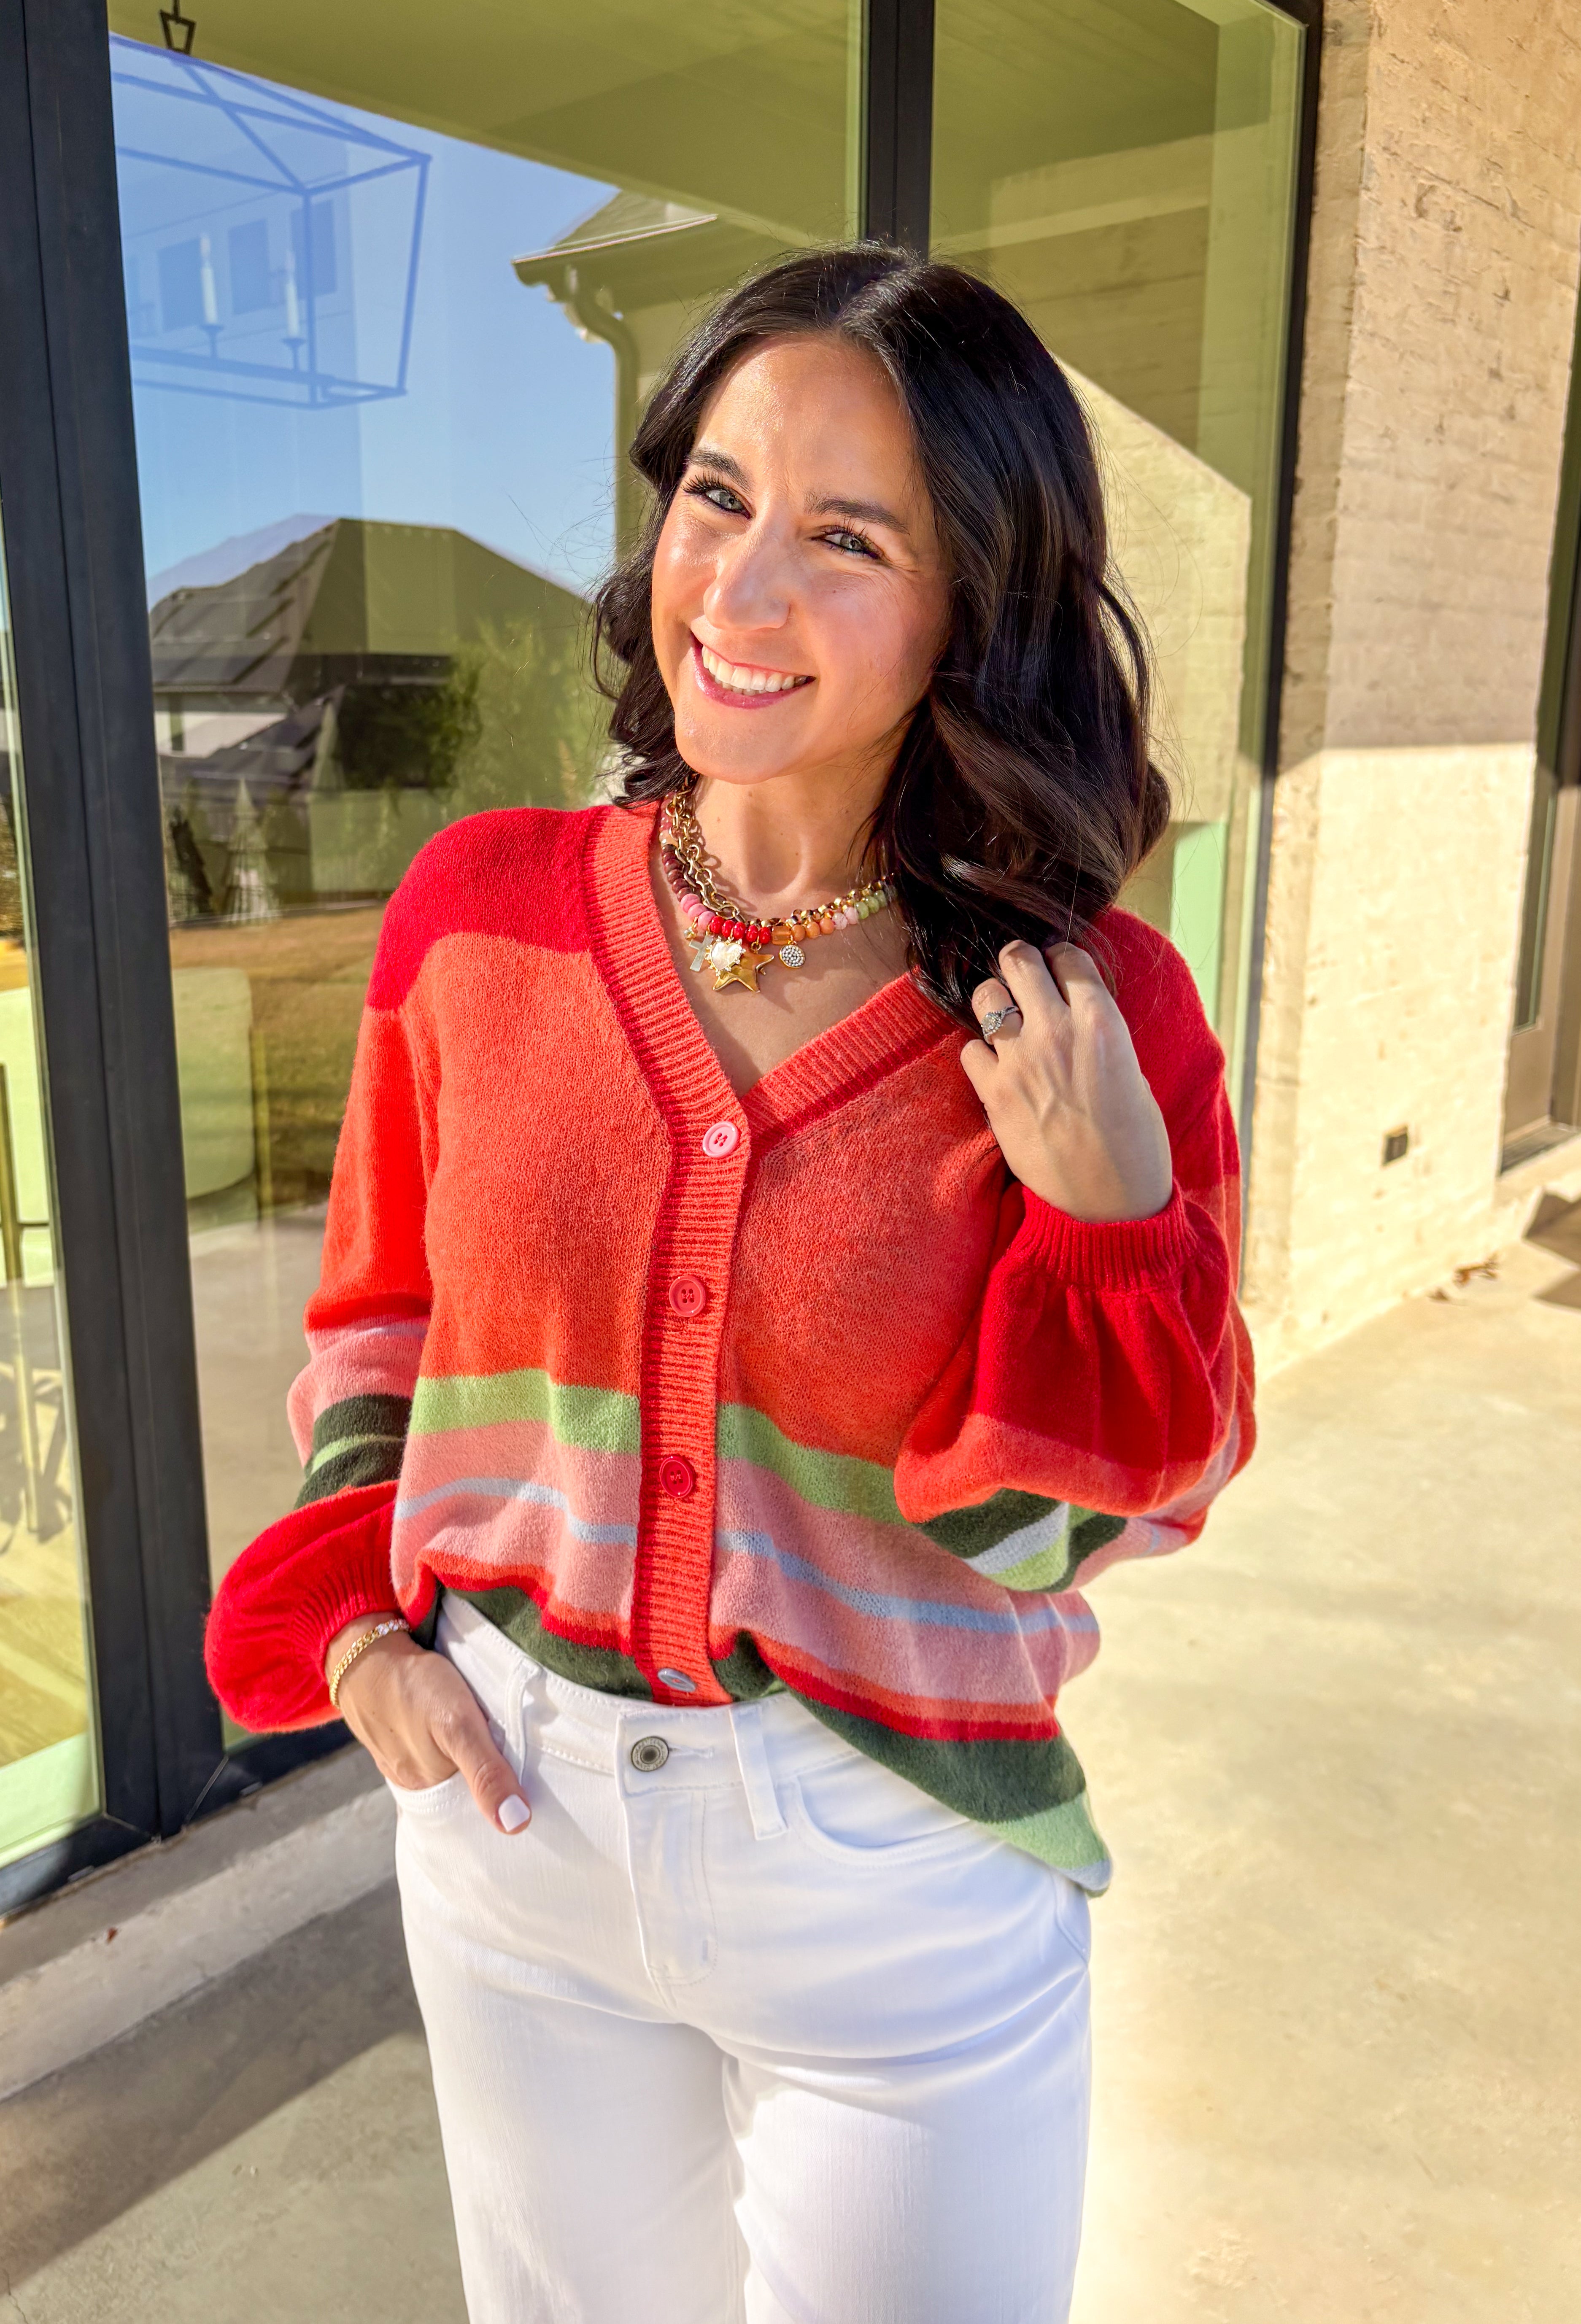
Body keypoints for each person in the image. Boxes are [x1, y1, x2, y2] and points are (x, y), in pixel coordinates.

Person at [207, 243, 1254, 2324]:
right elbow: (383, 1327)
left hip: (893, 1869)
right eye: (717, 496)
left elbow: (1098, 1528)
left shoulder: (1084, 1010)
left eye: (847, 539)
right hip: (513, 1824)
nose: (739, 590)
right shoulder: (483, 912)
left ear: (973, 606)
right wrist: (361, 1634)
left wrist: (1107, 1222)